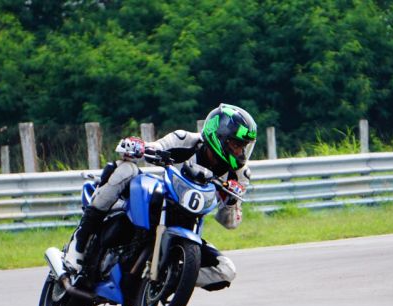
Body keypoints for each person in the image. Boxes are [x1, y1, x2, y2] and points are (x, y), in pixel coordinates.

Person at [62, 103, 257, 291]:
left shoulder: (239, 175)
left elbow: (229, 223)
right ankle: (80, 240)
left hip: (187, 224)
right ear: (219, 136)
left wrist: (231, 201)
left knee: (226, 270)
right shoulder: (186, 140)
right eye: (237, 145)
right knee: (126, 169)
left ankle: (169, 279)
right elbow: (152, 147)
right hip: (160, 202)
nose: (241, 152)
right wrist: (136, 147)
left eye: (244, 146)